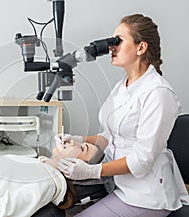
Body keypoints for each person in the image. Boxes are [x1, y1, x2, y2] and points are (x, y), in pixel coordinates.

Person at [56, 14, 189, 217]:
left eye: (118, 40)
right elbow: (111, 135)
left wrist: (93, 171)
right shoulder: (123, 86)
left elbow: (141, 159)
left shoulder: (158, 93)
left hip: (145, 196)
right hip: (118, 186)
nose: (111, 47)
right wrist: (79, 139)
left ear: (141, 47)